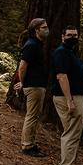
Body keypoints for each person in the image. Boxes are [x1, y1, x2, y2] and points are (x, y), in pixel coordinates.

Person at [52, 26, 83, 165]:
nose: (73, 37)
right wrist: (69, 100)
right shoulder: (61, 52)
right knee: (71, 135)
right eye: (69, 35)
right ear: (62, 36)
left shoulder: (71, 52)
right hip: (69, 98)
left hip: (75, 96)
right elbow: (61, 76)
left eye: (75, 35)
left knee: (72, 134)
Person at [14, 18, 50, 157]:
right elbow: (22, 67)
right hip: (33, 85)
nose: (47, 30)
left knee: (34, 116)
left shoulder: (37, 44)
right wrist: (24, 82)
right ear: (36, 30)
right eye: (44, 27)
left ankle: (30, 143)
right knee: (32, 116)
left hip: (37, 85)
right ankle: (28, 146)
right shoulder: (32, 45)